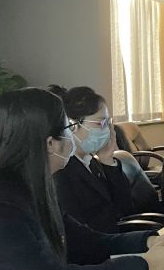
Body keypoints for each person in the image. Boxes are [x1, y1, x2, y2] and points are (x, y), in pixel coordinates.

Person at [0, 88, 164, 270]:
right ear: (50, 143)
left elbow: (85, 240)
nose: (72, 136)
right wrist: (146, 265)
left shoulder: (31, 190)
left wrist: (146, 241)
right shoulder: (3, 208)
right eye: (68, 128)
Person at [48, 86, 151, 234]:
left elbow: (124, 208)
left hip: (115, 240)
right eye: (100, 123)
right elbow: (78, 233)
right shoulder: (61, 170)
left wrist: (108, 160)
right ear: (72, 126)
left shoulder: (92, 162)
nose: (107, 130)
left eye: (108, 123)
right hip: (98, 246)